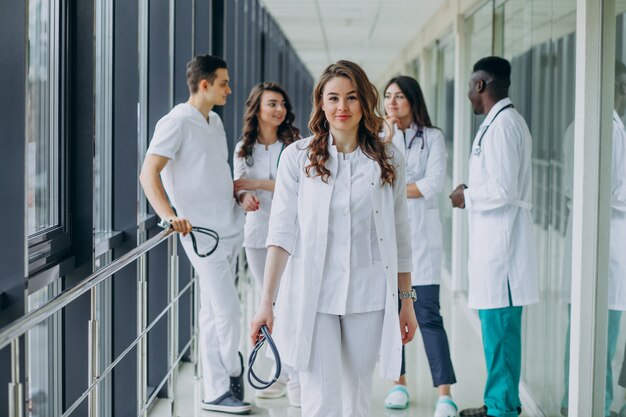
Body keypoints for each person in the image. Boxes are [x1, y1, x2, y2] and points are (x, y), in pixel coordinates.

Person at [250, 60, 418, 417]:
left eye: (352, 98)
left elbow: (401, 236)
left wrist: (406, 300)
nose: (343, 107)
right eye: (334, 98)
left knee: (356, 397)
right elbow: (280, 233)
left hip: (368, 293)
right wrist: (267, 302)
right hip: (314, 294)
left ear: (364, 103)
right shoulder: (297, 158)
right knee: (319, 398)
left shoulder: (389, 160)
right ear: (321, 104)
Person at [139, 55, 252, 414]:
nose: (229, 89)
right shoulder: (176, 122)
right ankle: (232, 371)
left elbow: (214, 173)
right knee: (229, 311)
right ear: (203, 84)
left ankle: (216, 389)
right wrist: (170, 217)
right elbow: (148, 174)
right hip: (201, 235)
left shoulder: (214, 121)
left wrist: (239, 197)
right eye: (223, 83)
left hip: (229, 227)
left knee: (212, 312)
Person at [449, 56, 539, 417]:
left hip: (503, 255)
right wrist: (471, 189)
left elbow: (502, 188)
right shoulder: (499, 123)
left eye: (471, 87)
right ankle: (502, 402)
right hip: (495, 249)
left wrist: (465, 196)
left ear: (482, 85)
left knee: (500, 336)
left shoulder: (503, 126)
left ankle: (501, 409)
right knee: (497, 336)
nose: (470, 94)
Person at [382, 76, 458, 417]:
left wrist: (398, 187)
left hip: (424, 241)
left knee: (428, 315)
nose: (392, 103)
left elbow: (434, 183)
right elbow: (377, 179)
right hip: (389, 239)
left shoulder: (433, 137)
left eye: (399, 96)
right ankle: (399, 383)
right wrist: (387, 140)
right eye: (387, 97)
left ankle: (445, 393)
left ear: (413, 100)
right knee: (393, 315)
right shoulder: (379, 138)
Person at [560, 61, 626, 417]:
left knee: (584, 330)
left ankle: (575, 399)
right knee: (603, 332)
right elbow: (611, 194)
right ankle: (595, 404)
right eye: (621, 83)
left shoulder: (584, 126)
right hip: (607, 247)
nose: (625, 91)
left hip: (595, 244)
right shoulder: (609, 130)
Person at [232, 82, 302, 405]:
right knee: (269, 303)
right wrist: (245, 196)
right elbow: (238, 187)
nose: (279, 110)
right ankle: (278, 368)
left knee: (289, 302)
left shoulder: (296, 146)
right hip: (258, 235)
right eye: (272, 104)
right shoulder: (242, 149)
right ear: (257, 110)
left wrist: (256, 184)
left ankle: (290, 371)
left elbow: (297, 186)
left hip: (291, 235)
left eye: (282, 104)